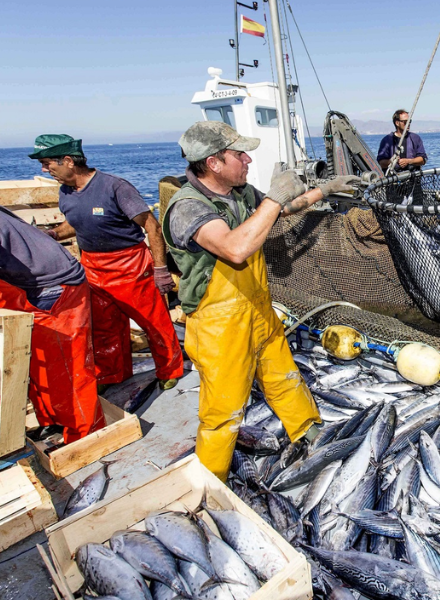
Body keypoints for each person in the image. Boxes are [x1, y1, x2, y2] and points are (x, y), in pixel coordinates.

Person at [162, 121, 360, 480]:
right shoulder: (188, 208)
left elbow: (281, 210)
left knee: (283, 375)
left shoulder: (237, 192)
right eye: (239, 154)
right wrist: (272, 197)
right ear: (213, 163)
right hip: (218, 324)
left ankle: (309, 433)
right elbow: (235, 249)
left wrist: (324, 191)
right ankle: (211, 482)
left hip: (257, 308)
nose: (248, 159)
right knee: (224, 410)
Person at [30, 135, 184, 392]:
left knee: (153, 323)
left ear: (68, 161)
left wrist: (160, 269)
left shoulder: (115, 187)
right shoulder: (66, 192)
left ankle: (170, 370)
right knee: (103, 328)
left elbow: (152, 226)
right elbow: (76, 222)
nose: (45, 170)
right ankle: (113, 374)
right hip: (92, 268)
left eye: (47, 163)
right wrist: (55, 234)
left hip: (130, 266)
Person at [0, 206, 105, 443]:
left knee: (69, 368)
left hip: (53, 288)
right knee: (37, 365)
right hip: (26, 284)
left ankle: (86, 434)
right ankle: (55, 421)